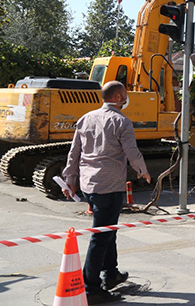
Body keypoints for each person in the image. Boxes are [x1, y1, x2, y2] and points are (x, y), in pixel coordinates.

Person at [62, 81, 151, 304]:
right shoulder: (121, 121)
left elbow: (74, 153)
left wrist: (70, 179)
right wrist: (143, 170)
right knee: (100, 236)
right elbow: (131, 151)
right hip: (109, 186)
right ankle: (91, 288)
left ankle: (111, 274)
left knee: (108, 229)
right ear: (119, 96)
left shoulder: (86, 118)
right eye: (126, 94)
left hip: (89, 185)